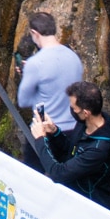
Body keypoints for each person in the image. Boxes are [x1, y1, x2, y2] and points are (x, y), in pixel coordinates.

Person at [28, 80, 110, 208]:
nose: (71, 110)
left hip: (91, 205)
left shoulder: (99, 149)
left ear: (86, 113)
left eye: (73, 108)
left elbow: (58, 174)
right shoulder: (84, 123)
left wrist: (40, 139)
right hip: (72, 196)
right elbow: (71, 149)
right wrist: (55, 132)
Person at [14, 11, 84, 169]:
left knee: (34, 178)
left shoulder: (35, 63)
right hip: (73, 132)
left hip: (46, 131)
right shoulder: (74, 57)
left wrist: (28, 77)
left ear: (34, 33)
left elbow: (23, 101)